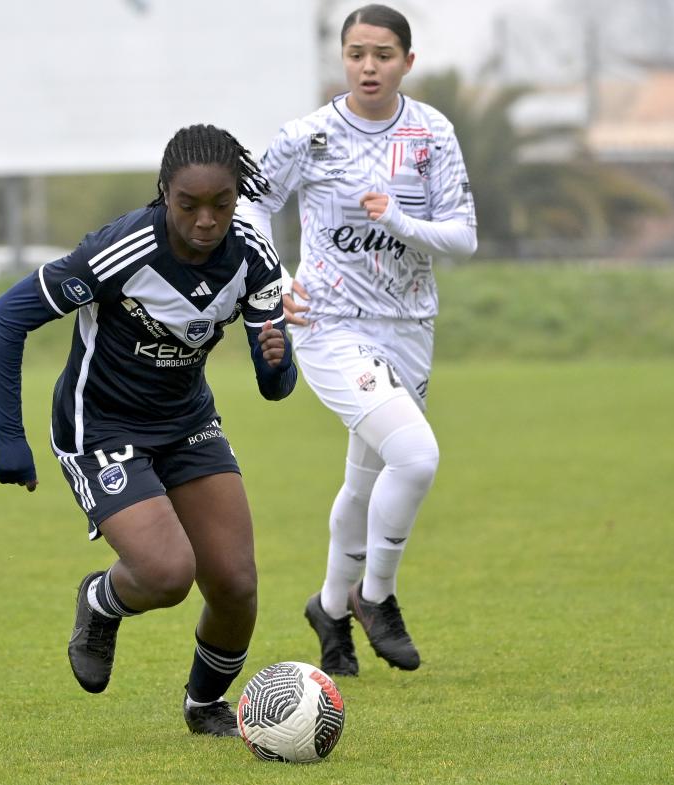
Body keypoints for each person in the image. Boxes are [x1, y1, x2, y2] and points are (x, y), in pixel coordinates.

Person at [0, 124, 295, 736]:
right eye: (189, 205)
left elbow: (274, 384)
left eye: (221, 204)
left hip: (187, 422)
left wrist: (278, 358)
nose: (206, 220)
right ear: (164, 193)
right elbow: (7, 317)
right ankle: (99, 604)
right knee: (166, 574)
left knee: (235, 584)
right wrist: (8, 439)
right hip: (100, 425)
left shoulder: (253, 256)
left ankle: (205, 705)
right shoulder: (120, 251)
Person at [236, 4, 477, 677]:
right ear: (342, 58)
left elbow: (463, 236)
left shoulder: (431, 133)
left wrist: (399, 219)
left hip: (409, 326)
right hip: (329, 327)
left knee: (366, 480)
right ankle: (376, 597)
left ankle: (328, 611)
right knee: (418, 457)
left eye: (383, 54)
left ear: (407, 61)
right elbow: (251, 203)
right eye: (356, 54)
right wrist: (276, 279)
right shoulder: (308, 136)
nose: (368, 66)